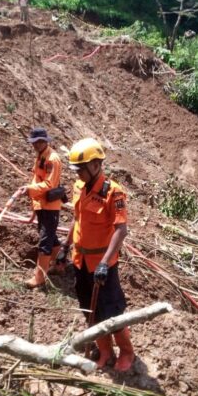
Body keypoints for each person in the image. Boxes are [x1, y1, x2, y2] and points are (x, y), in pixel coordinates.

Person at [56, 138, 134, 372]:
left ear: (95, 165)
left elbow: (121, 229)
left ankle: (127, 352)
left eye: (80, 169)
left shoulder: (114, 193)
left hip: (103, 264)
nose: (77, 173)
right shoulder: (79, 187)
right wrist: (65, 247)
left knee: (112, 311)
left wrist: (103, 263)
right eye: (76, 169)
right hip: (80, 260)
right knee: (89, 309)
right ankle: (106, 350)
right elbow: (77, 219)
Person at [20, 127, 63, 289]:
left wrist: (30, 190)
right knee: (51, 237)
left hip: (50, 206)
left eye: (39, 142)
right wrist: (28, 189)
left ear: (46, 141)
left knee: (45, 240)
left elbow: (49, 184)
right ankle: (59, 266)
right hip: (41, 204)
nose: (36, 145)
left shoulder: (52, 159)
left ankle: (39, 278)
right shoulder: (40, 156)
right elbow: (36, 178)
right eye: (34, 142)